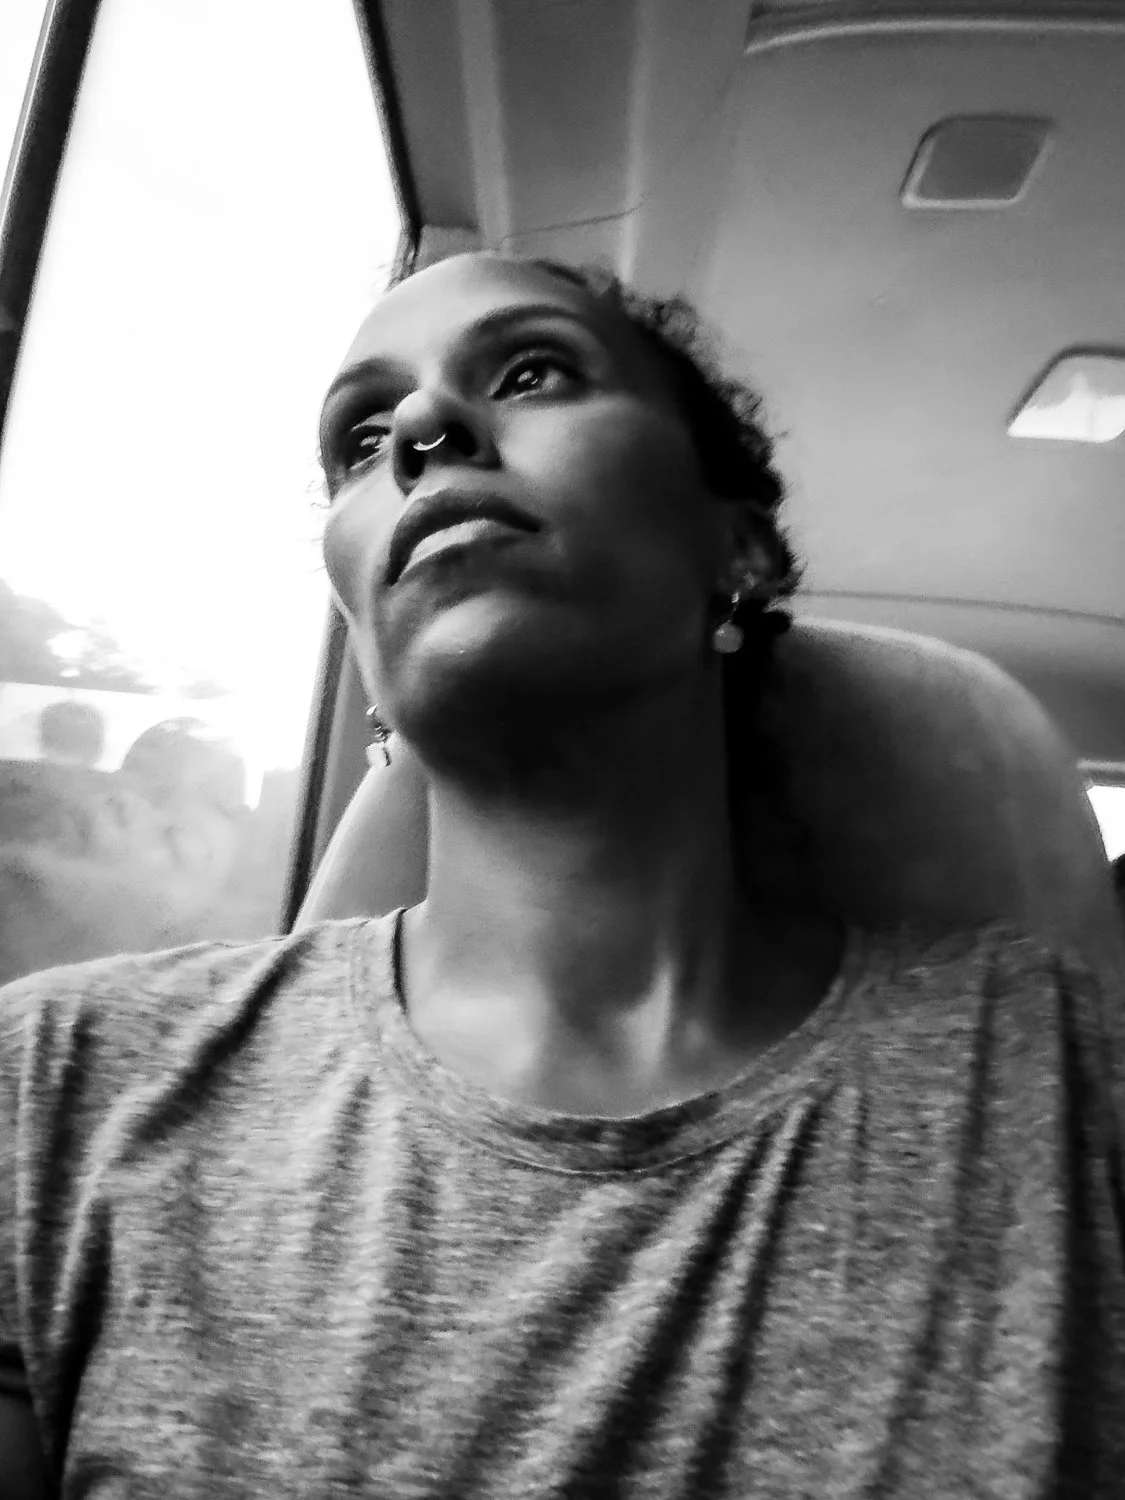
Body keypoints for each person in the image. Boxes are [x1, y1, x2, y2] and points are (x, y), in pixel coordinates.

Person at [0, 252, 1121, 1499]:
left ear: (736, 547)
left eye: (533, 371)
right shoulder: (62, 1082)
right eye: (361, 439)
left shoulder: (1051, 1068)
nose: (422, 429)